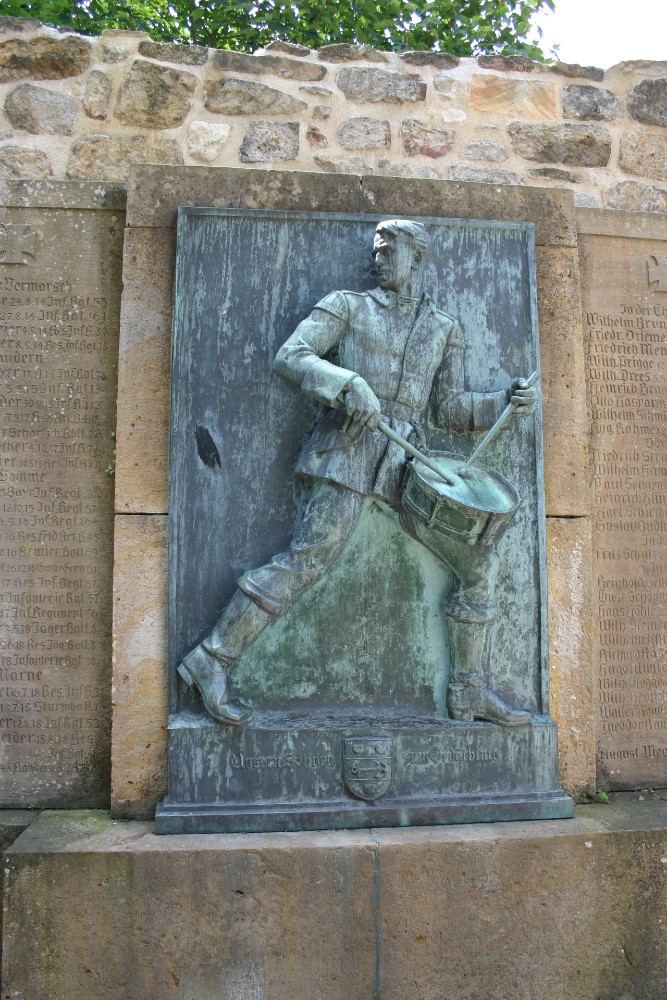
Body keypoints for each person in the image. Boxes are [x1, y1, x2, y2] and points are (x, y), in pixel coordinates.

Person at [177, 219, 536, 726]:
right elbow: (292, 356)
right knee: (310, 557)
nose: (379, 260)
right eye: (376, 251)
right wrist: (346, 382)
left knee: (478, 563)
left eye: (389, 251)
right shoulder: (347, 305)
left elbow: (449, 411)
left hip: (406, 466)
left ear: (417, 256)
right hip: (345, 450)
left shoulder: (443, 328)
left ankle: (470, 692)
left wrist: (504, 401)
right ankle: (210, 661)